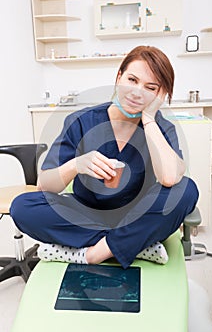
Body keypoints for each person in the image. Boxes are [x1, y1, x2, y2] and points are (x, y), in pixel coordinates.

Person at [10, 45, 199, 269]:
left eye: (150, 87)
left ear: (160, 95)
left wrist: (149, 118)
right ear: (119, 77)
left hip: (137, 215)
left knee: (186, 189)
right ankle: (136, 244)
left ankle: (92, 253)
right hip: (87, 214)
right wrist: (76, 165)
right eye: (132, 79)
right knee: (22, 207)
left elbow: (169, 178)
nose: (137, 92)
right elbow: (45, 185)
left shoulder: (161, 129)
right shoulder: (81, 121)